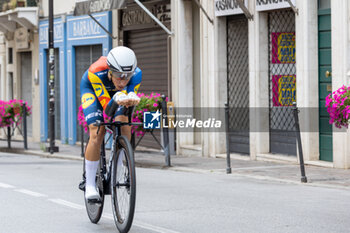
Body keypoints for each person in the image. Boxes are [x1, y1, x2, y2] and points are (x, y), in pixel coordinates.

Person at [80, 46, 141, 202]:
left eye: (127, 76)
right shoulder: (96, 72)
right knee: (97, 131)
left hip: (117, 96)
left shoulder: (136, 75)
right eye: (119, 76)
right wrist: (116, 98)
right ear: (110, 71)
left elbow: (128, 101)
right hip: (93, 91)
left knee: (124, 125)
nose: (123, 81)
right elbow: (107, 112)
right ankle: (90, 184)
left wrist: (131, 99)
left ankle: (117, 168)